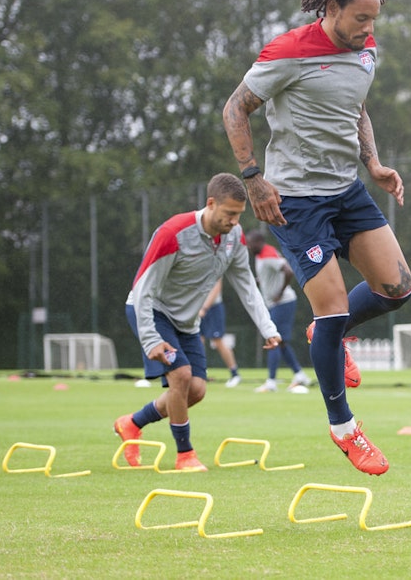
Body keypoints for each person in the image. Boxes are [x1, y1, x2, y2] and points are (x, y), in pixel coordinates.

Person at [222, 0, 411, 476]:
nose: (369, 30)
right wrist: (253, 178)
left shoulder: (366, 51)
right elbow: (234, 110)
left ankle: (325, 336)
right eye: (360, 19)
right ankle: (344, 428)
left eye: (375, 20)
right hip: (295, 201)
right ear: (331, 9)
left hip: (346, 190)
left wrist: (372, 162)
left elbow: (358, 107)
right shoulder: (288, 52)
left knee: (397, 288)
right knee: (329, 311)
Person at [115, 173, 282, 471]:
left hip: (187, 323)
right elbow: (143, 288)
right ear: (210, 203)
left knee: (197, 390)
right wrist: (151, 338)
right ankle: (185, 455)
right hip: (153, 312)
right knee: (180, 377)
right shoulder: (173, 233)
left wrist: (268, 328)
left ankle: (132, 423)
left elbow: (247, 287)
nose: (233, 221)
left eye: (238, 215)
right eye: (229, 213)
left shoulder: (235, 237)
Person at [246, 229, 312, 393]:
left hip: (283, 303)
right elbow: (270, 274)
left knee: (273, 340)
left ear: (258, 242)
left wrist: (279, 293)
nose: (248, 246)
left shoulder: (267, 254)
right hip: (277, 304)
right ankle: (299, 374)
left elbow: (288, 270)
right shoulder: (261, 255)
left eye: (250, 243)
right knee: (281, 343)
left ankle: (271, 382)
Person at [198, 278, 242, 387]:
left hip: (213, 308)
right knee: (198, 340)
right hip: (198, 308)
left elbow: (216, 288)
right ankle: (200, 374)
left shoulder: (217, 262)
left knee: (218, 341)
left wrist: (204, 308)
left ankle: (235, 374)